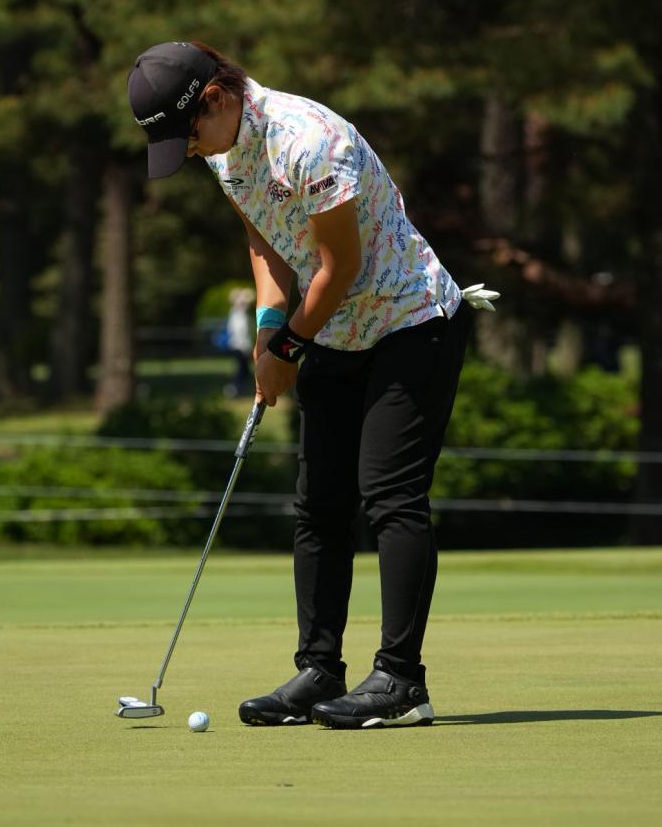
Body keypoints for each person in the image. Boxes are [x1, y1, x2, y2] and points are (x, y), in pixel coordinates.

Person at [128, 41, 499, 729]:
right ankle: (319, 669)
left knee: (390, 496)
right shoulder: (221, 150)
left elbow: (341, 264)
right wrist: (270, 327)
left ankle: (400, 681)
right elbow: (265, 242)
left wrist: (288, 350)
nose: (187, 151)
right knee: (319, 505)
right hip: (331, 328)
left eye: (187, 135)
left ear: (216, 99)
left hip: (409, 321)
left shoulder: (309, 140)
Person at [224, 287, 255, 397]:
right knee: (241, 370)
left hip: (242, 346)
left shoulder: (242, 314)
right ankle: (234, 389)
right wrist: (244, 347)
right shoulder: (237, 314)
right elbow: (239, 332)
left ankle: (240, 389)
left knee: (244, 370)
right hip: (240, 346)